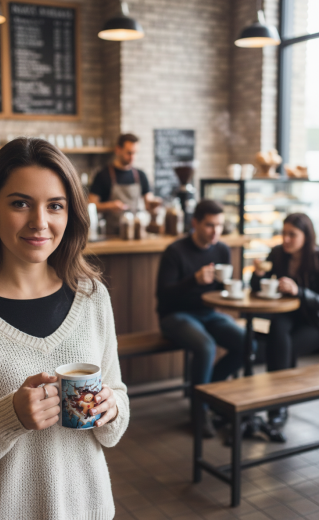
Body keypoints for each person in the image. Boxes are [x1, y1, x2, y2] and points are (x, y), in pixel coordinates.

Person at [0, 137, 129, 520]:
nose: (39, 222)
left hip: (87, 509)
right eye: (20, 203)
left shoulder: (93, 297)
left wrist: (113, 407)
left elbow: (118, 398)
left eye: (55, 206)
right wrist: (9, 416)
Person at [156, 199, 247, 437]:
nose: (216, 231)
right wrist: (193, 280)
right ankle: (199, 413)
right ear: (195, 223)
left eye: (219, 225)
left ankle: (207, 394)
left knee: (247, 343)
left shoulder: (222, 250)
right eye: (209, 225)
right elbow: (163, 294)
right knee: (206, 347)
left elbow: (224, 290)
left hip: (209, 314)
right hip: (175, 315)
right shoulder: (176, 251)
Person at [251, 212, 319, 428]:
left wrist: (299, 291)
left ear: (306, 236)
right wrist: (258, 273)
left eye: (292, 234)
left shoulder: (317, 259)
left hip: (312, 321)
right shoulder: (278, 253)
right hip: (286, 314)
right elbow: (255, 288)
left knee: (281, 347)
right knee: (278, 334)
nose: (286, 239)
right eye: (283, 233)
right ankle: (278, 406)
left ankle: (278, 406)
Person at [88, 133, 160, 235]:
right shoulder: (103, 175)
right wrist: (109, 206)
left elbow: (148, 204)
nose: (132, 157)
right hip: (111, 235)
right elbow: (90, 205)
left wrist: (155, 204)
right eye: (129, 153)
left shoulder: (140, 175)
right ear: (118, 150)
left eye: (135, 153)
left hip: (135, 232)